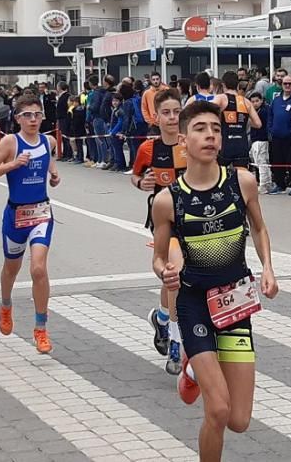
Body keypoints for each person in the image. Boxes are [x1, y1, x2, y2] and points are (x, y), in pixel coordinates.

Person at [150, 100, 277, 462]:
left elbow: (259, 227)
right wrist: (165, 271)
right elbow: (158, 257)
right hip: (195, 306)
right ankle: (193, 362)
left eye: (216, 129)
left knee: (238, 420)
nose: (210, 135)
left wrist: (267, 268)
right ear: (183, 141)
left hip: (236, 303)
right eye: (200, 129)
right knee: (217, 411)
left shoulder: (242, 182)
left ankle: (190, 372)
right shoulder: (166, 201)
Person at [0, 95, 60, 354]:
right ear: (17, 119)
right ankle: (5, 305)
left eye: (38, 114)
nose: (34, 119)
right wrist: (13, 164)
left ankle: (41, 329)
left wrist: (54, 173)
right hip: (16, 216)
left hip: (41, 212)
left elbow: (48, 159)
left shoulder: (48, 141)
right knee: (11, 269)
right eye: (28, 115)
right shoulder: (10, 142)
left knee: (38, 268)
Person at [131, 89, 187, 375]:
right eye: (166, 112)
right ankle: (176, 345)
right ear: (156, 116)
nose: (172, 118)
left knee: (171, 281)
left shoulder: (190, 144)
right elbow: (136, 175)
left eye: (177, 111)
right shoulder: (148, 149)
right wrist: (141, 182)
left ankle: (163, 319)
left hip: (194, 220)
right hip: (165, 222)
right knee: (175, 272)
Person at [214, 71, 261, 169]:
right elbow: (258, 124)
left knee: (220, 176)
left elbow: (206, 112)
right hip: (241, 144)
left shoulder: (220, 99)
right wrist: (241, 121)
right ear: (238, 85)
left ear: (223, 84)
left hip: (225, 143)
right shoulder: (246, 101)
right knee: (241, 177)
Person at [267, 74, 291, 195]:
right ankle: (279, 184)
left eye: (290, 84)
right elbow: (270, 115)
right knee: (277, 162)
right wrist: (270, 129)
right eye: (285, 83)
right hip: (277, 137)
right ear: (281, 85)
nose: (287, 86)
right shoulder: (276, 100)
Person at [247, 92, 272, 193]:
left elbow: (259, 125)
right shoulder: (254, 111)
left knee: (262, 162)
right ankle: (267, 182)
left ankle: (264, 185)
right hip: (254, 139)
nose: (255, 103)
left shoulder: (264, 111)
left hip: (262, 139)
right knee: (258, 162)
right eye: (252, 101)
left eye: (257, 101)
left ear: (261, 100)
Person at [55, 81, 72, 160]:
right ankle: (65, 154)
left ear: (60, 87)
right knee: (63, 137)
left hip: (65, 118)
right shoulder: (60, 96)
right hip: (61, 118)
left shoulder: (67, 96)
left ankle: (68, 154)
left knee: (66, 137)